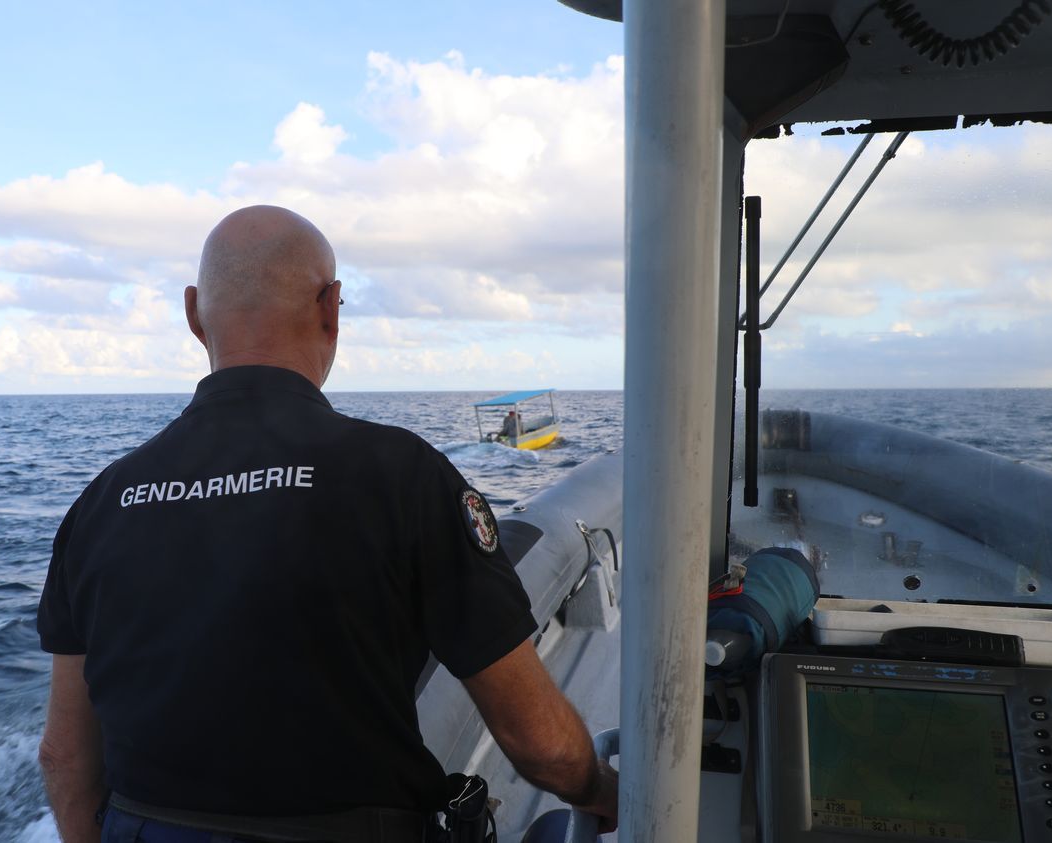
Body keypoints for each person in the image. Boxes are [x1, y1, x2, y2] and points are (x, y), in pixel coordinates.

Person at [36, 205, 618, 843]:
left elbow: (65, 758)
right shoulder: (403, 475)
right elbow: (538, 744)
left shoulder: (100, 503)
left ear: (193, 313)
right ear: (332, 307)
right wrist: (598, 788)